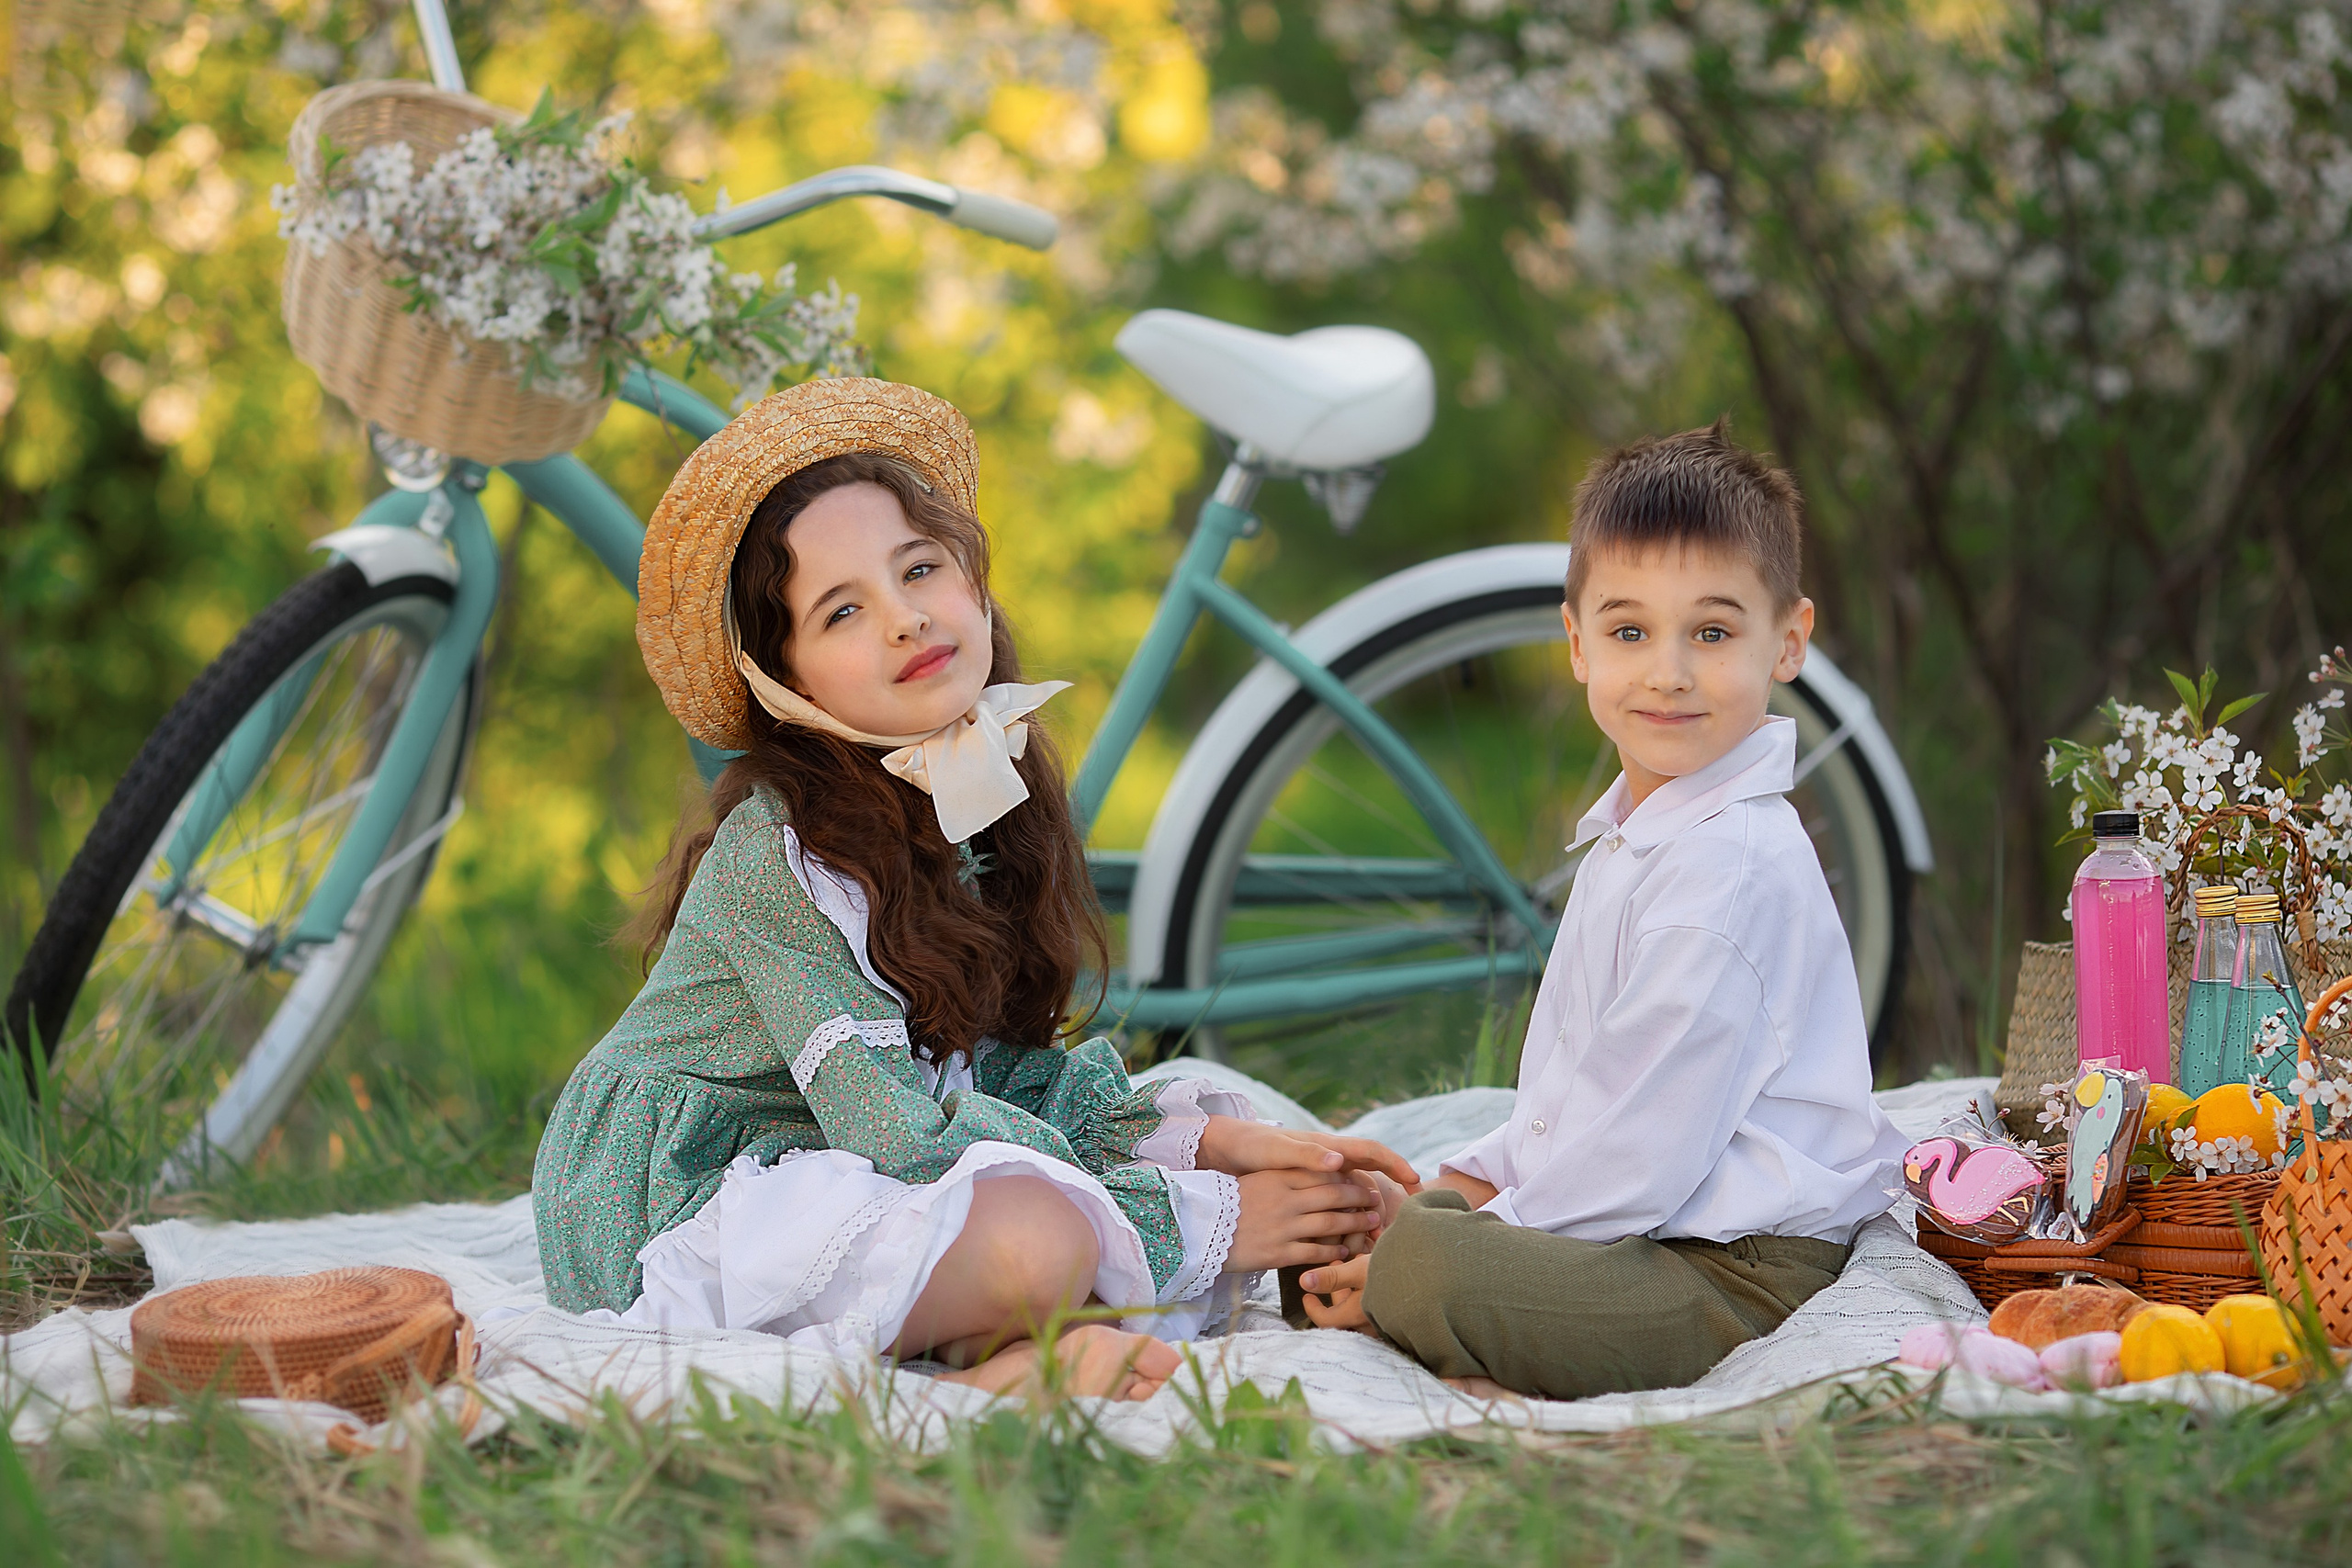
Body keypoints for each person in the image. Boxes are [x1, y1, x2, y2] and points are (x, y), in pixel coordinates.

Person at [533, 377, 1417, 1402]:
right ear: (791, 683)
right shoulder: (778, 856)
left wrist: (1215, 1148)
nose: (906, 618)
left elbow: (987, 1076)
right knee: (1040, 1237)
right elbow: (898, 1137)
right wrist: (1196, 1219)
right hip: (675, 1195)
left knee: (1207, 1129)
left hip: (839, 1153)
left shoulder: (973, 790)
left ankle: (1000, 1350)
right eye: (843, 610)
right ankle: (986, 1376)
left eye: (920, 568)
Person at [1295, 419, 1908, 1401]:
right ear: (1578, 644)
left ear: (1787, 641)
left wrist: (1451, 1241)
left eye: (1712, 633)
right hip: (1640, 1231)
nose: (1668, 673)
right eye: (1630, 632)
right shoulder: (1641, 832)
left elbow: (1636, 1161)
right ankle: (1405, 1265)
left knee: (1424, 1267)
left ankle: (1415, 1290)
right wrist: (1458, 1186)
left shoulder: (1729, 873)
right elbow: (1576, 1095)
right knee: (1363, 1220)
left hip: (1732, 1272)